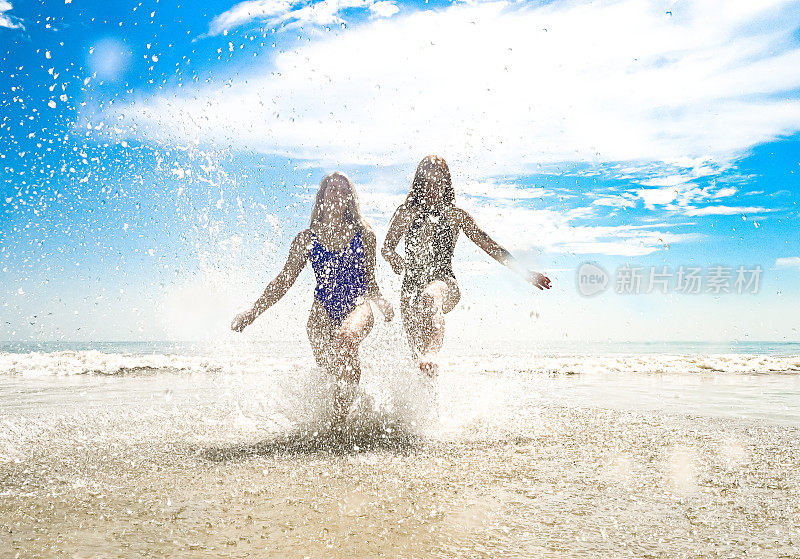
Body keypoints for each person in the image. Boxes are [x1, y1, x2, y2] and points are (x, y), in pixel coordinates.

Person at [231, 172, 393, 423]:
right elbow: (283, 281)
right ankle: (337, 418)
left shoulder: (365, 234)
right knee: (333, 372)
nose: (337, 195)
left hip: (358, 305)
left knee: (347, 338)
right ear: (322, 198)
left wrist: (381, 302)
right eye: (332, 190)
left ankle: (339, 423)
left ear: (351, 199)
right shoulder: (306, 239)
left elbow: (369, 281)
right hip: (322, 310)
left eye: (343, 191)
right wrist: (252, 312)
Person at [381, 155, 551, 376]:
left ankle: (433, 353)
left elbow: (491, 247)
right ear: (419, 183)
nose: (433, 186)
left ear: (446, 184)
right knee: (419, 363)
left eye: (438, 181)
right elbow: (387, 247)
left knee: (430, 298)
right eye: (427, 181)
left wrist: (525, 273)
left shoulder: (456, 216)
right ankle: (428, 406)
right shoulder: (406, 212)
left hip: (444, 283)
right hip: (410, 288)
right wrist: (393, 258)